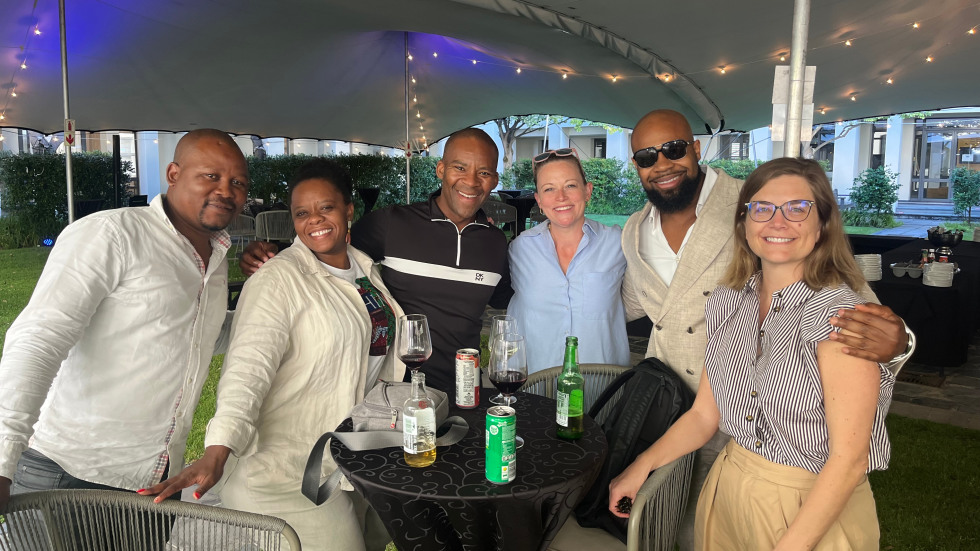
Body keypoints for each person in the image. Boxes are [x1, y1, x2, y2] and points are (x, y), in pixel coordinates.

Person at [616, 109, 913, 549]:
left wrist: (903, 342)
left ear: (823, 222)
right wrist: (640, 465)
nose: (777, 222)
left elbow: (848, 461)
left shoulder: (836, 315)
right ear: (746, 224)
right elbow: (703, 412)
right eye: (646, 156)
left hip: (809, 502)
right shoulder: (723, 298)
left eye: (797, 209)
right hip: (722, 473)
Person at [141, 159, 405, 551]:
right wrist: (218, 448)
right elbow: (248, 369)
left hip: (351, 456)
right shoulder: (278, 279)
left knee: (374, 538)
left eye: (326, 208)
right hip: (284, 471)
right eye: (302, 212)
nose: (314, 219)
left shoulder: (365, 270)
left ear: (349, 210)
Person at [0, 130, 248, 515]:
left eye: (237, 182)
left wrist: (269, 299)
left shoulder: (215, 256)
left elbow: (200, 335)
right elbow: (39, 339)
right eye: (210, 176)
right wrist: (2, 461)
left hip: (157, 480)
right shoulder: (112, 234)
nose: (226, 190)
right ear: (173, 173)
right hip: (69, 472)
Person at [240, 128, 511, 394]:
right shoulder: (394, 223)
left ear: (495, 180)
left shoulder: (496, 243)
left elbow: (508, 302)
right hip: (394, 391)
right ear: (440, 169)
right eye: (460, 168)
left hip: (465, 388)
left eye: (484, 172)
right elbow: (328, 248)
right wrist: (272, 253)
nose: (472, 181)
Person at [506, 148, 628, 373]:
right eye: (549, 189)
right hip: (537, 389)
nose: (560, 197)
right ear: (539, 200)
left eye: (570, 185)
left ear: (587, 191)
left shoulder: (618, 243)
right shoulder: (520, 249)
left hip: (602, 391)